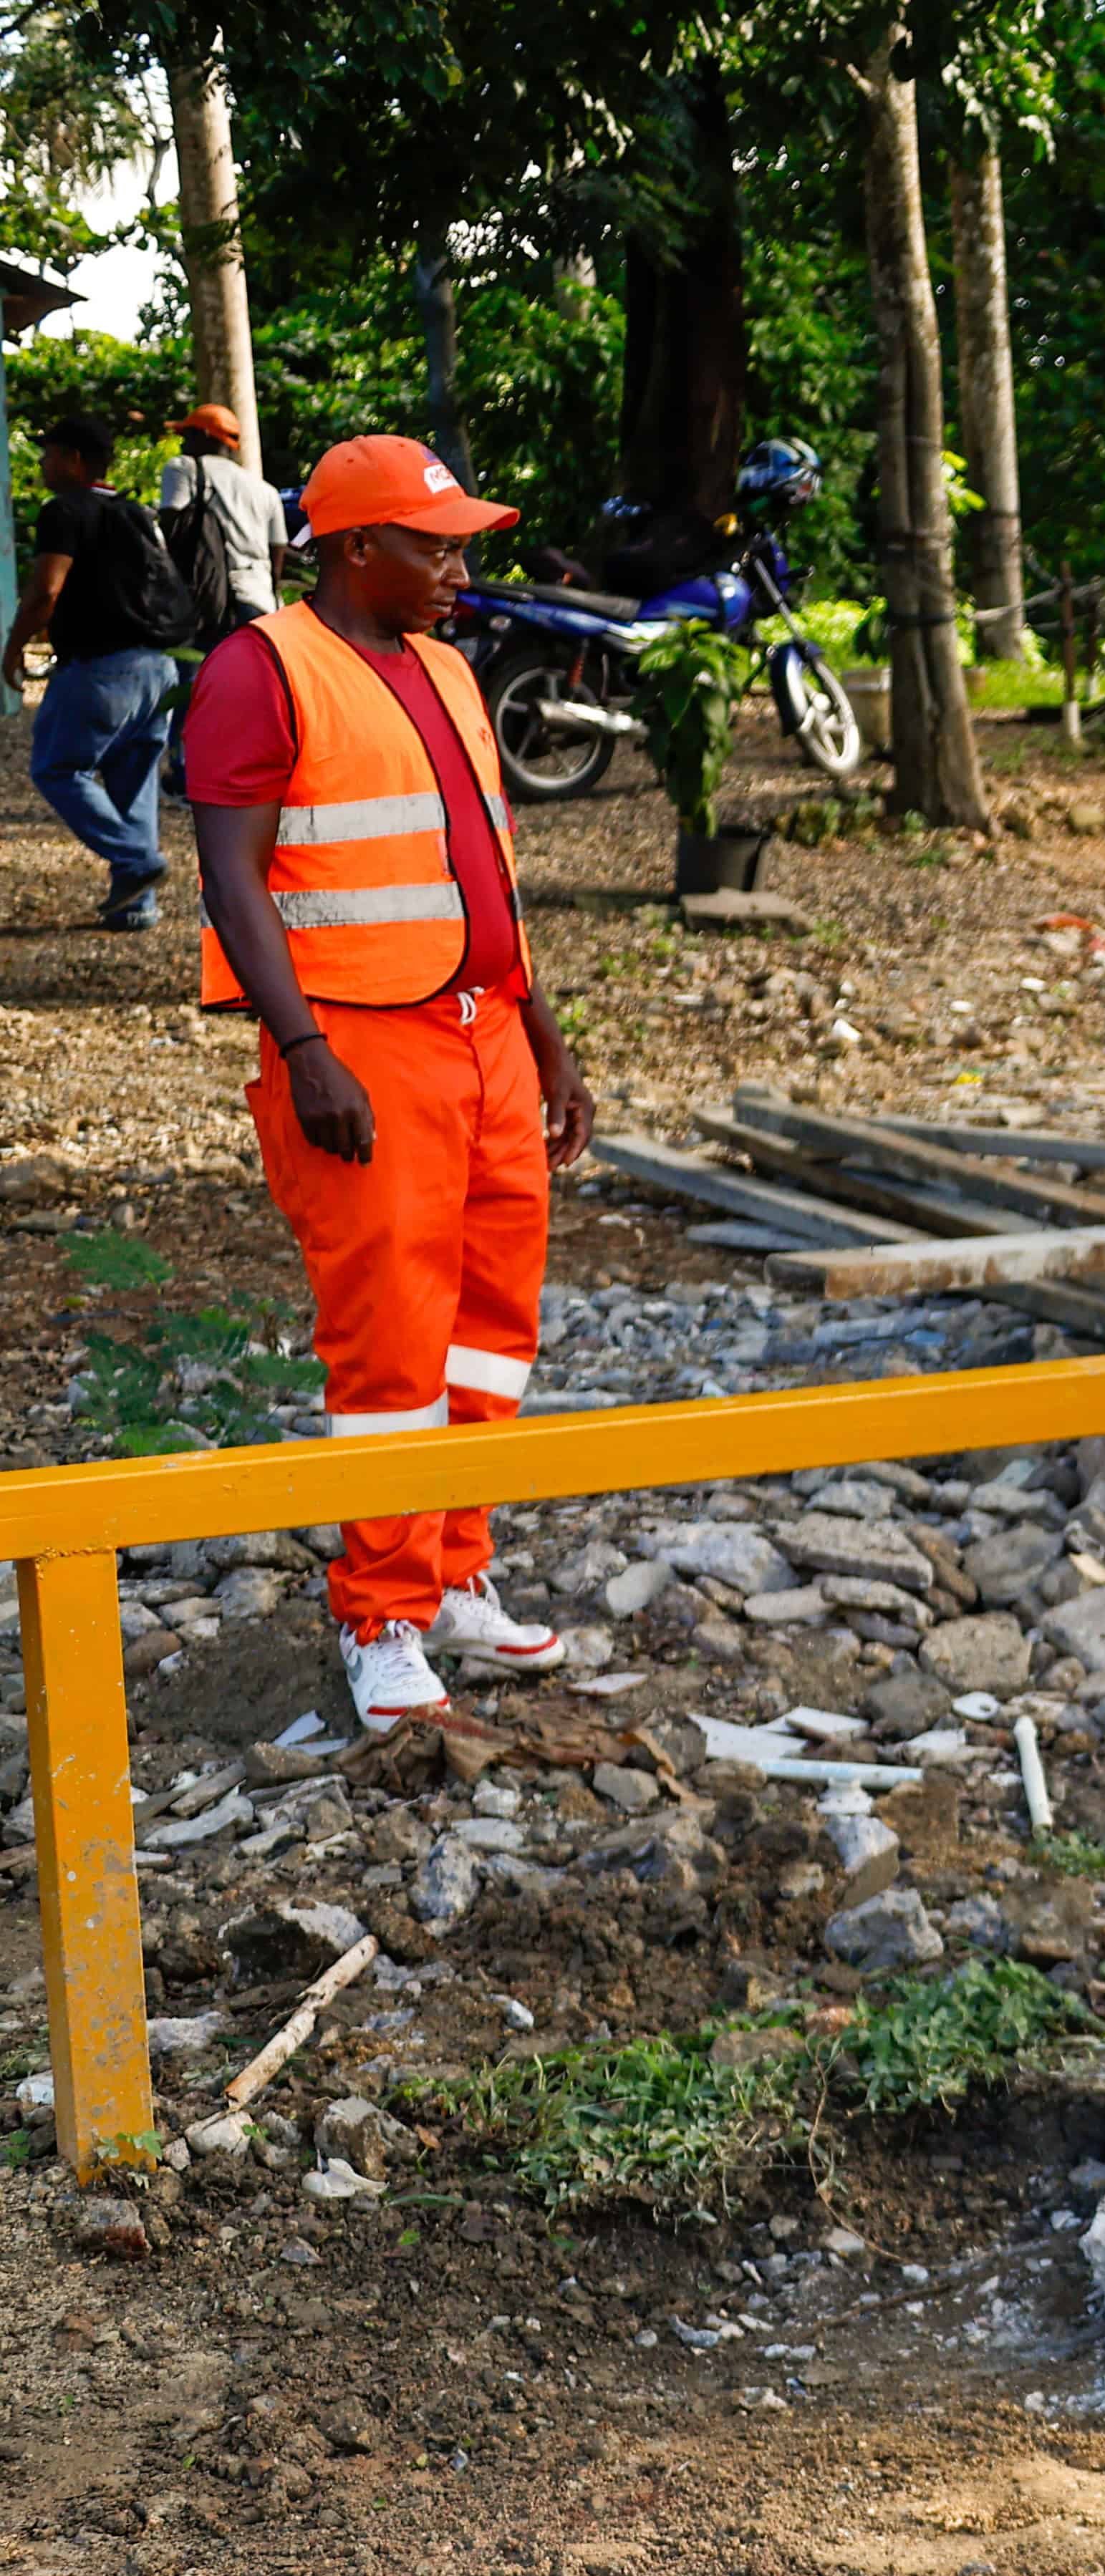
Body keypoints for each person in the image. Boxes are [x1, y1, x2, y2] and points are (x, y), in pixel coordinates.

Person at [185, 437, 599, 1730]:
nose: (460, 569)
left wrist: (547, 1040)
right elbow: (232, 875)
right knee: (390, 1340)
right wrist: (305, 1049)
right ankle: (381, 1617)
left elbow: (490, 873)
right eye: (437, 546)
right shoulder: (263, 670)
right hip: (364, 1048)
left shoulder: (451, 669)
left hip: (487, 1036)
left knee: (490, 1323)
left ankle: (454, 1573)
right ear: (358, 546)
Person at [11, 413, 190, 931]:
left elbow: (46, 591)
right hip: (160, 667)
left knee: (58, 768)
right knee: (134, 779)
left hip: (102, 669)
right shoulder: (136, 512)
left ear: (74, 460)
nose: (43, 464)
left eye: (49, 455)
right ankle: (136, 907)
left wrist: (13, 647)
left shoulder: (63, 510)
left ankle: (136, 860)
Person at [158, 401, 287, 631]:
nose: (182, 444)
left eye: (187, 436)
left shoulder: (183, 468)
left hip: (208, 604)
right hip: (261, 605)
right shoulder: (267, 491)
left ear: (205, 435)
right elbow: (277, 552)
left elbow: (170, 527)